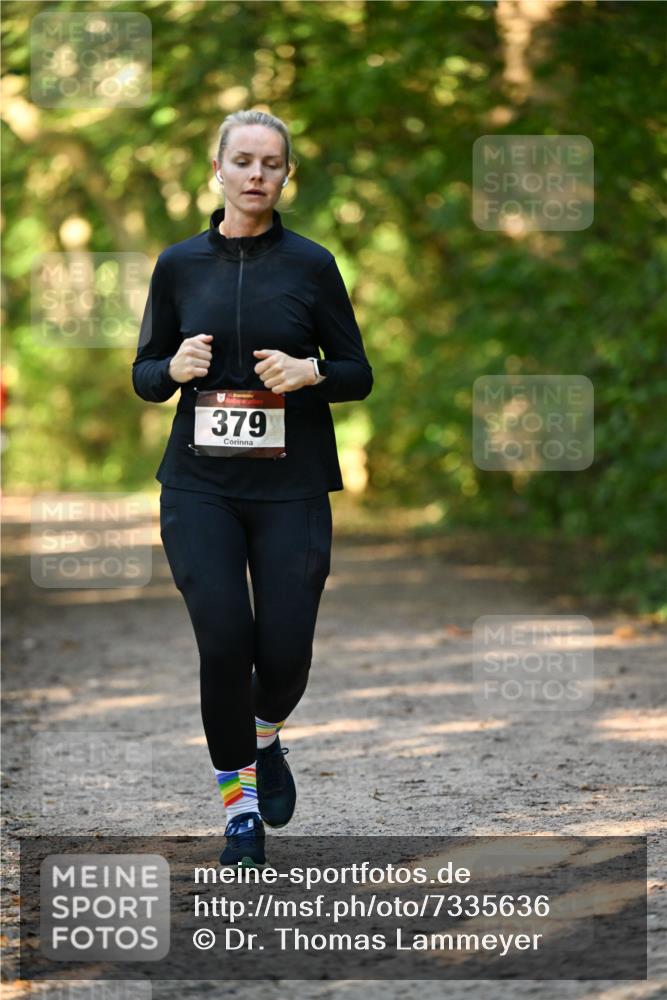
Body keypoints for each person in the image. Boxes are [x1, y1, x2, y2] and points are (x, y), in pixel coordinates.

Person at [132, 109, 373, 867]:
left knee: (287, 655)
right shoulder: (178, 265)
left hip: (292, 488)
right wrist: (169, 371)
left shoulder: (311, 264)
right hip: (199, 489)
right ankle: (238, 811)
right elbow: (143, 373)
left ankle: (264, 737)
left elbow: (358, 372)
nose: (256, 174)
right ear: (219, 169)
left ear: (285, 176)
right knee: (224, 643)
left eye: (271, 163)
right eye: (243, 160)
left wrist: (313, 375)